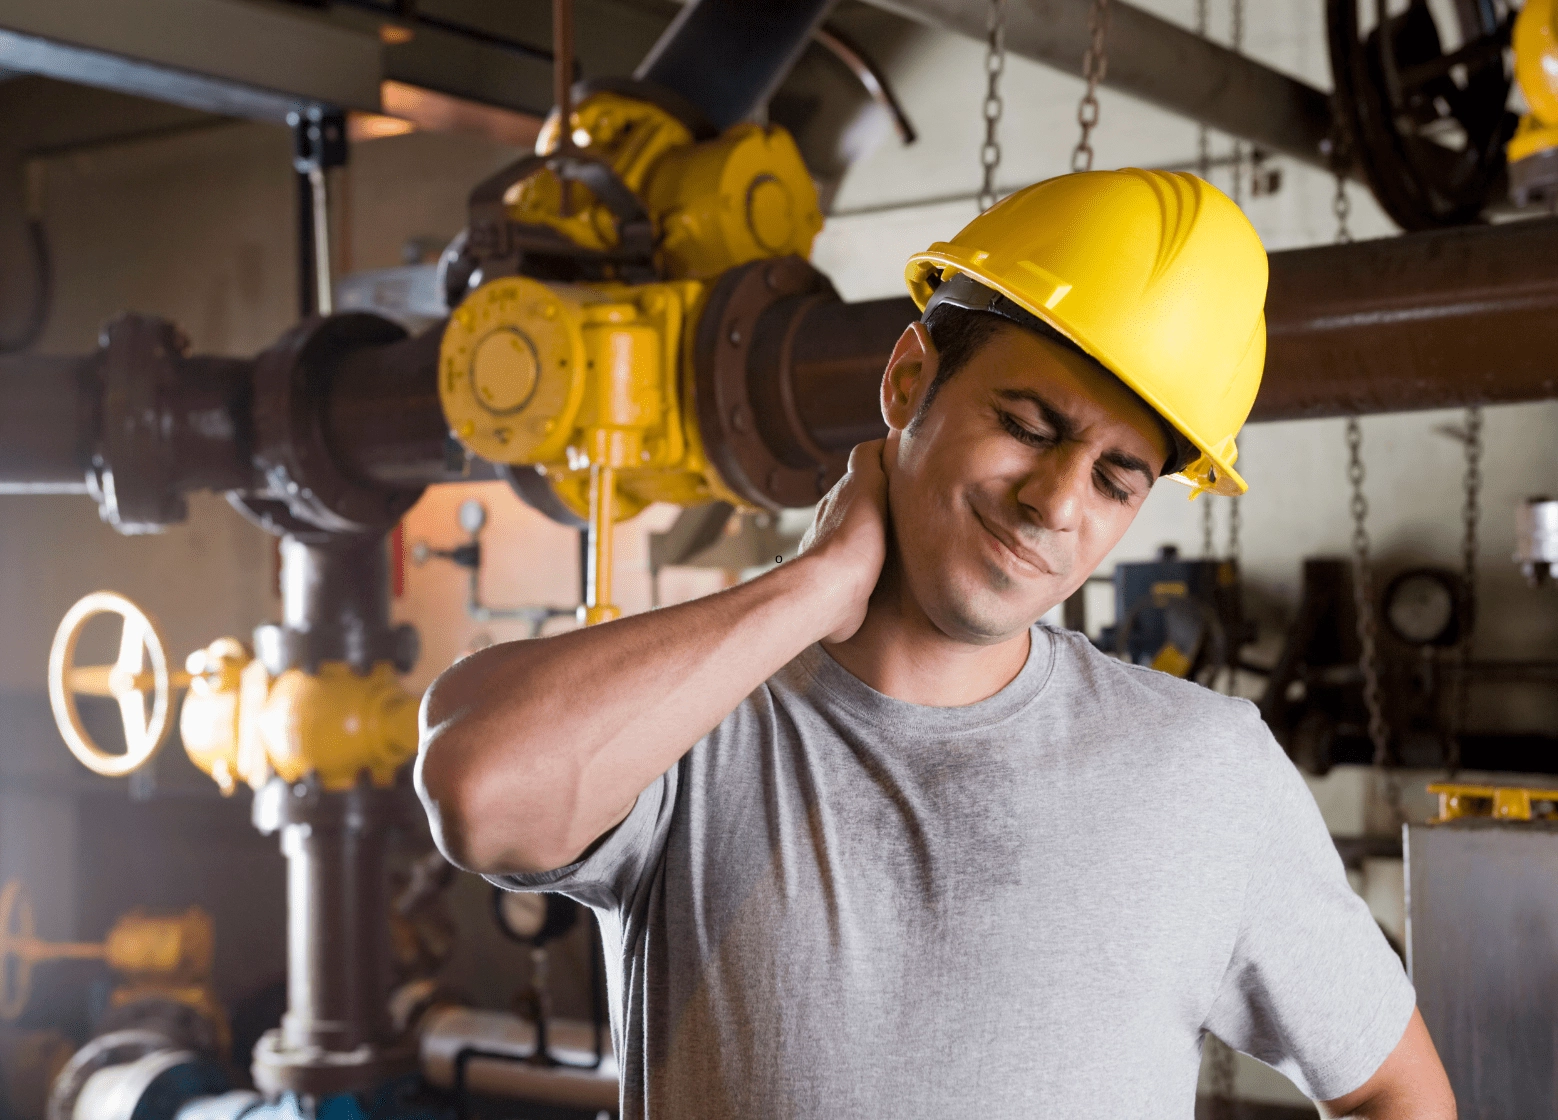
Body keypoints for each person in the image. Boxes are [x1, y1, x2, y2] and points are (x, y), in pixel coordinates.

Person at [415, 169, 1455, 1119]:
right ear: (909, 380)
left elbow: (1395, 1091)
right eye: (1032, 425)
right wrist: (812, 585)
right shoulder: (698, 724)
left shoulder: (1206, 768)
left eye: (1114, 479)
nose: (1056, 501)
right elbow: (479, 790)